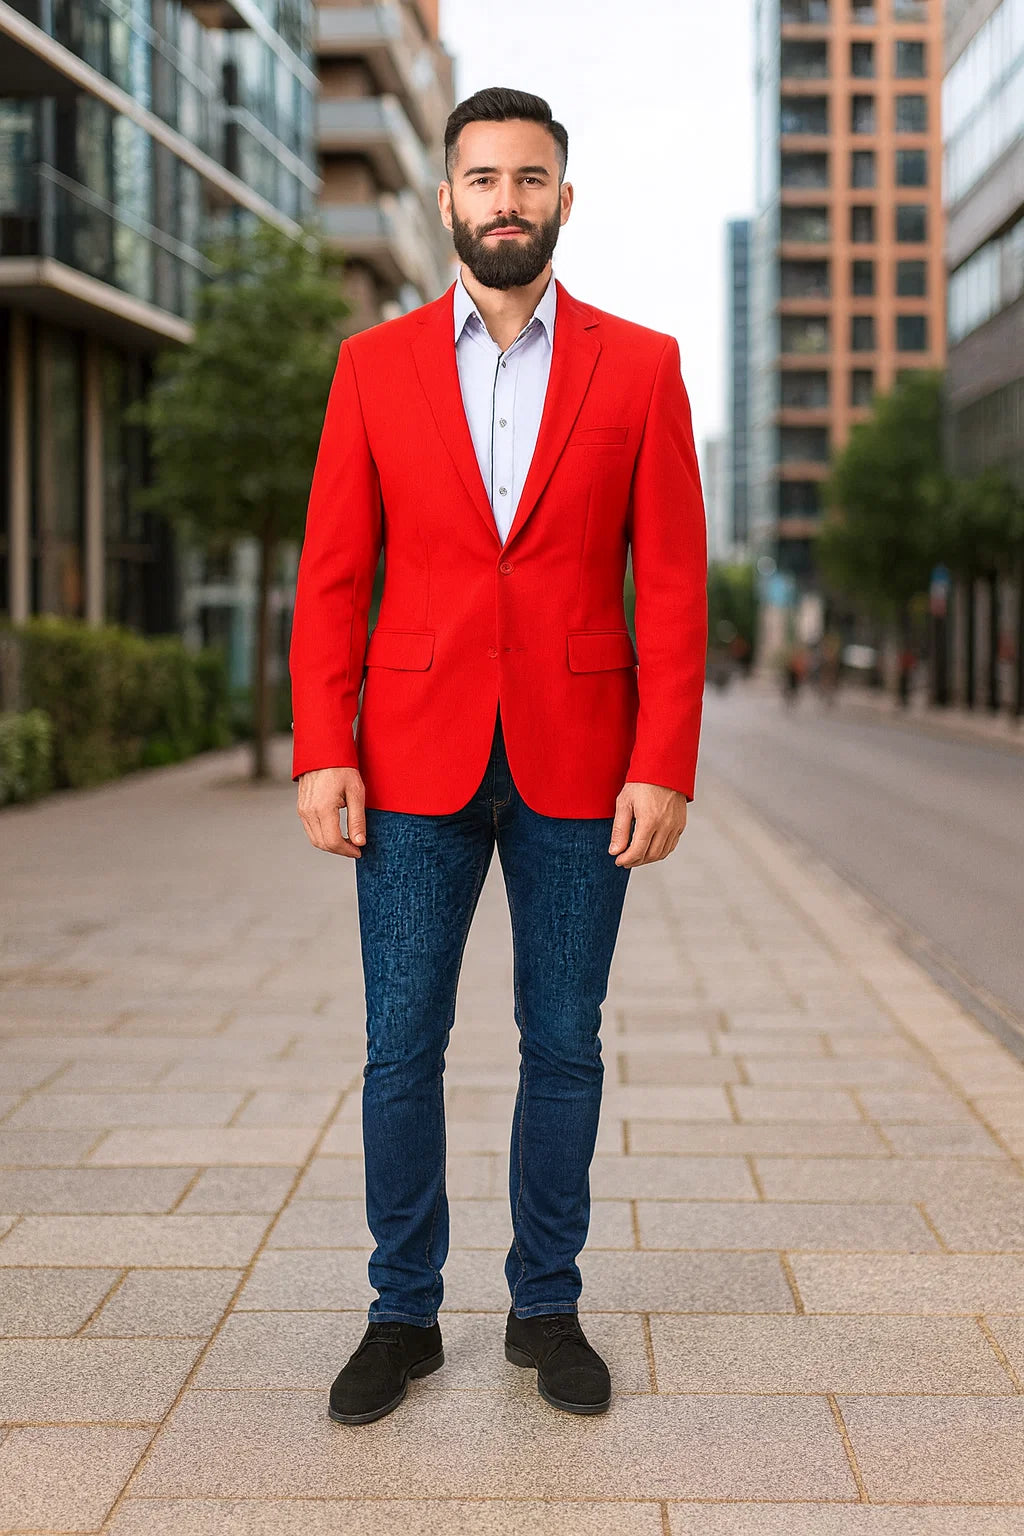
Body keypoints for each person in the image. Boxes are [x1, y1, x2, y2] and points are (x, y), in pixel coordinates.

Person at [289, 87, 708, 1425]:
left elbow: (678, 584)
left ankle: (546, 1306)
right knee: (402, 1045)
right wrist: (320, 746)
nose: (507, 202)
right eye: (484, 180)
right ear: (448, 200)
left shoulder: (642, 368)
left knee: (564, 1043)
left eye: (531, 180)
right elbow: (332, 574)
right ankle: (402, 1314)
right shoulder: (374, 366)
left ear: (564, 201)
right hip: (409, 758)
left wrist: (667, 758)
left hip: (585, 762)